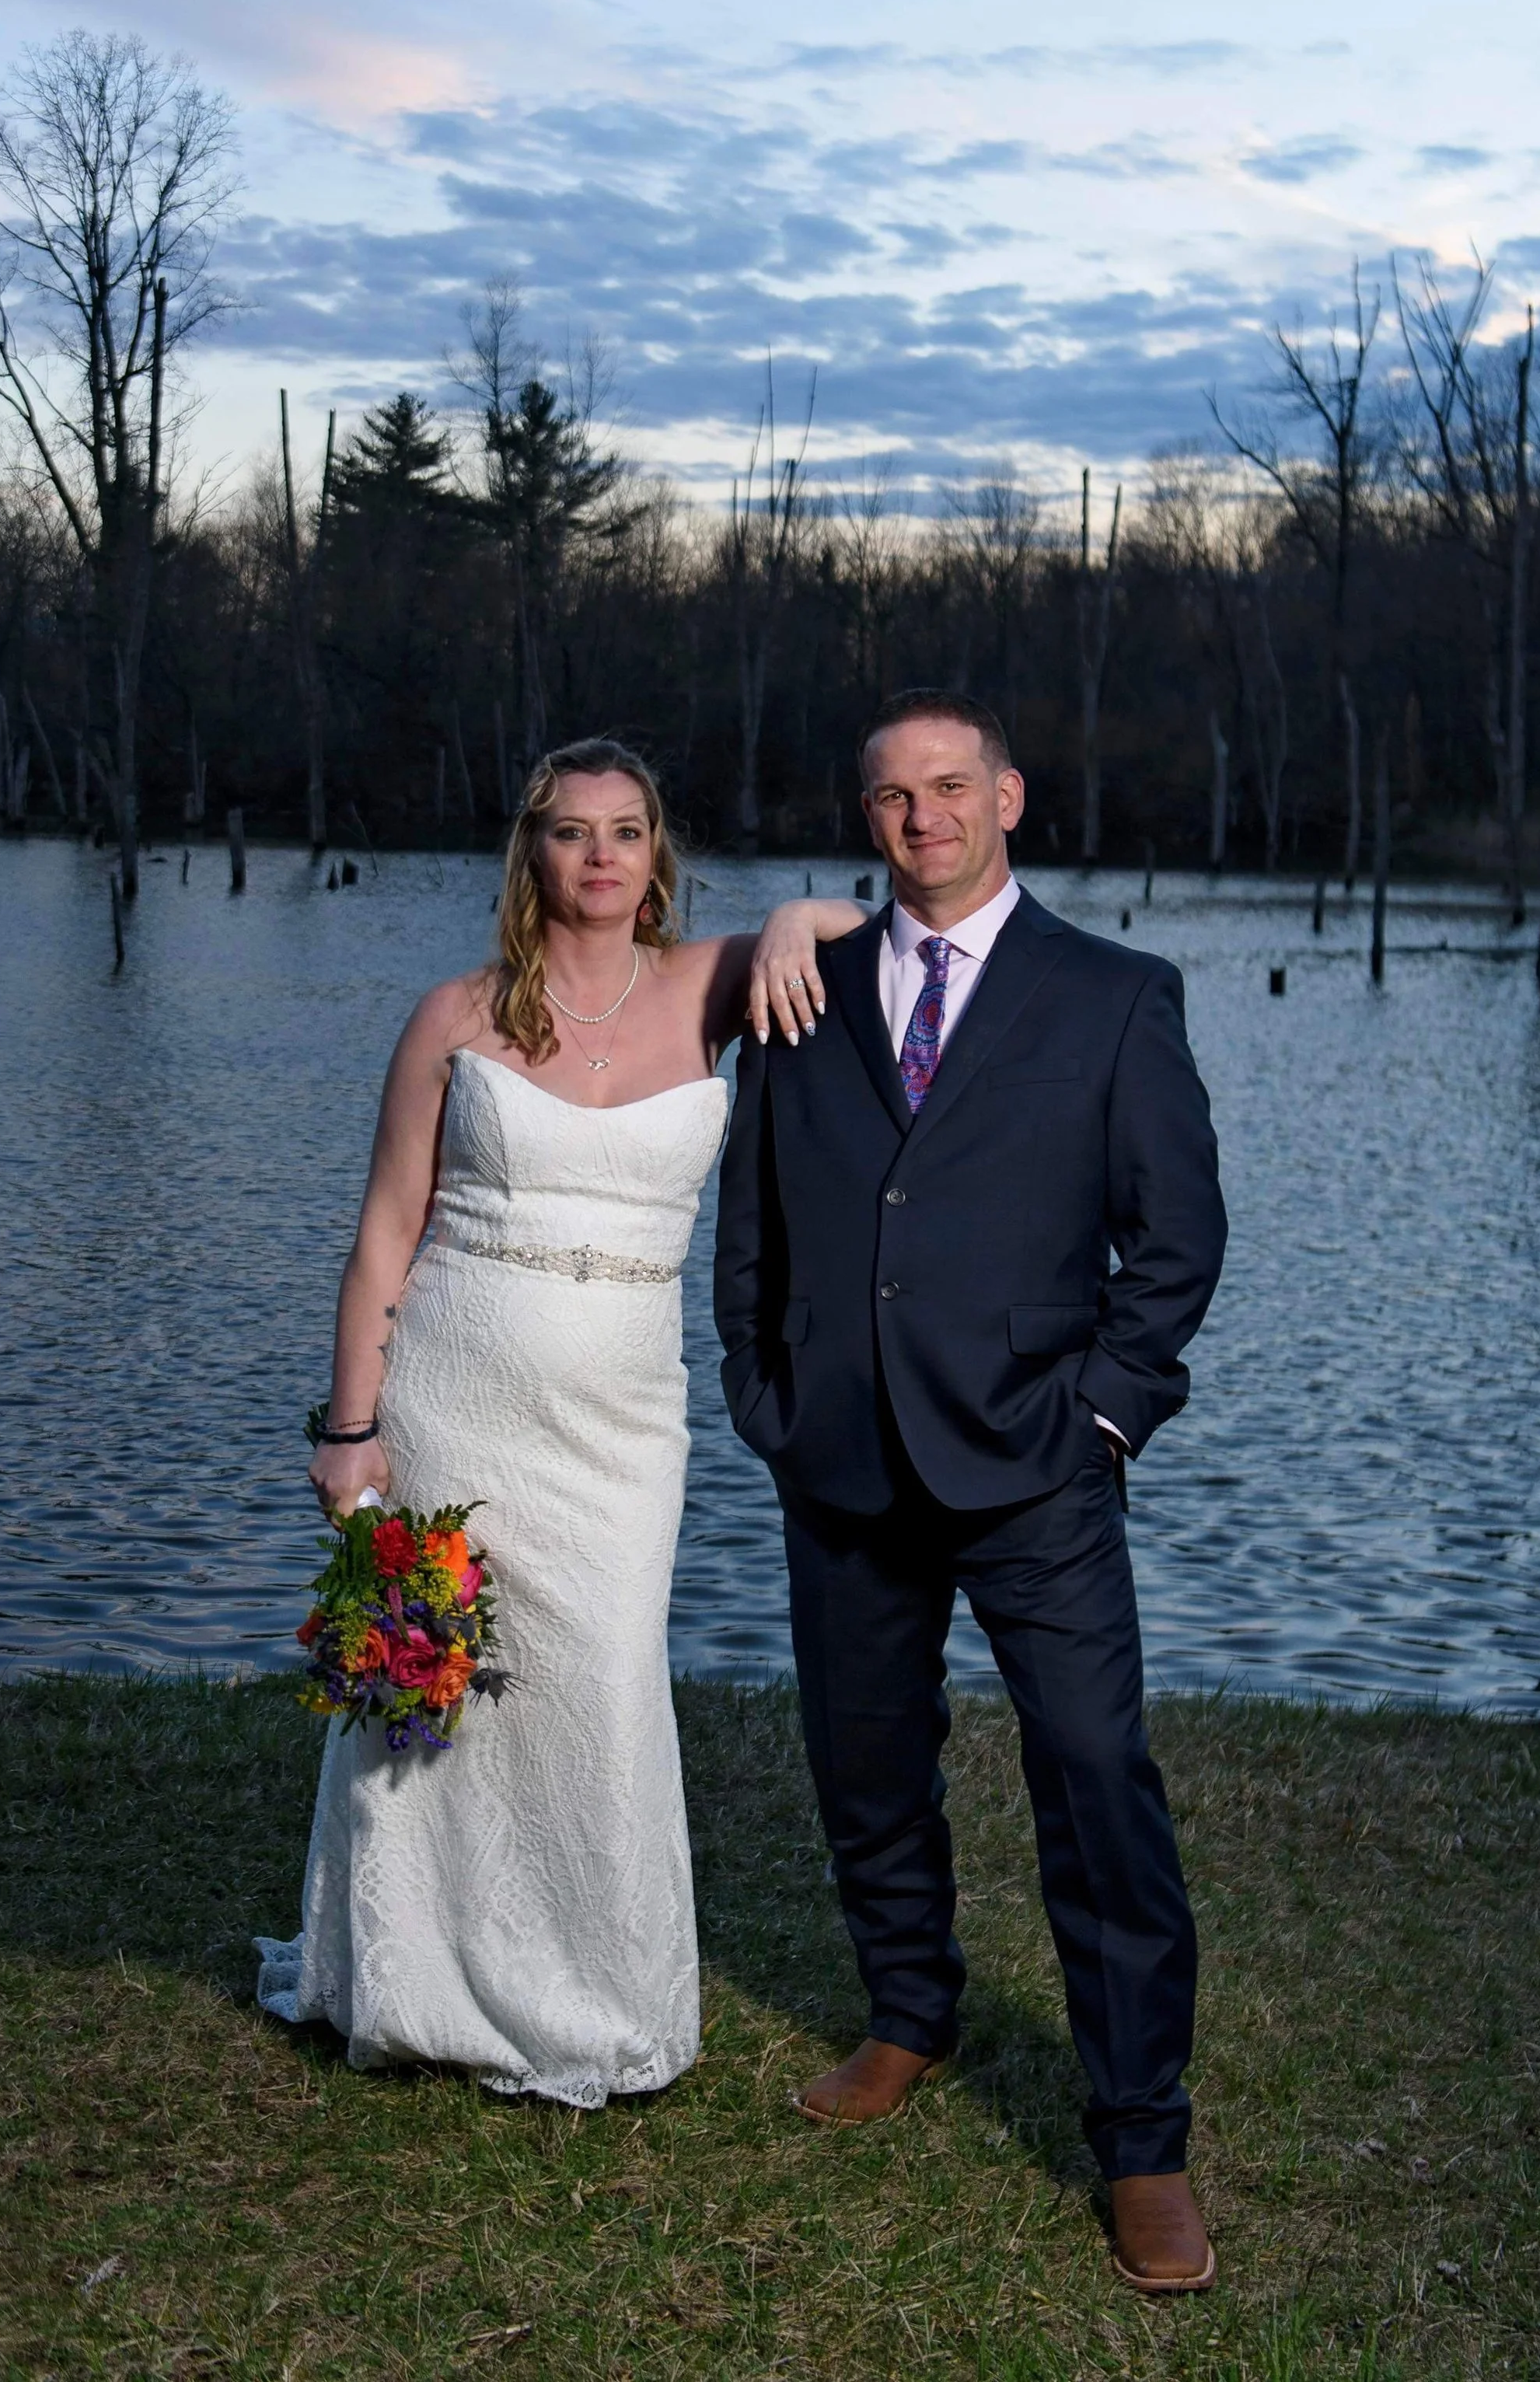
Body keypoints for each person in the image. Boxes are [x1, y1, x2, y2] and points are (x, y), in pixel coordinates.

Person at [713, 689, 1228, 2295]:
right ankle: (906, 2016)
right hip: (842, 1456)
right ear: (863, 820)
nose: (920, 816)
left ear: (1006, 797)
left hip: (1035, 1466)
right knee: (862, 1759)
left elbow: (1177, 1242)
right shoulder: (810, 985)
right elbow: (753, 1223)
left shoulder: (1113, 997)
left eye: (948, 787)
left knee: (1091, 1776)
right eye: (888, 796)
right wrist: (764, 1389)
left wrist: (1103, 1421)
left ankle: (1140, 2139)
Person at [258, 739, 851, 2108]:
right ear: (531, 854)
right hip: (456, 1393)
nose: (599, 856)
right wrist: (350, 1430)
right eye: (572, 832)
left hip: (621, 1420)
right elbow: (384, 1235)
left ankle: (605, 2006)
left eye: (627, 831)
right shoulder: (453, 1017)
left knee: (602, 1680)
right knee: (434, 1689)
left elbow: (894, 932)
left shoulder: (717, 984)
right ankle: (408, 1985)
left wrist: (798, 920)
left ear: (658, 856)